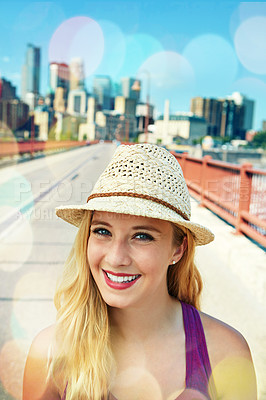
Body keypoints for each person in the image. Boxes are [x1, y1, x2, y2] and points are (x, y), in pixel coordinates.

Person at [23, 144, 257, 400]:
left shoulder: (226, 353)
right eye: (102, 231)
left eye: (142, 236)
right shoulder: (50, 354)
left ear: (178, 249)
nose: (116, 257)